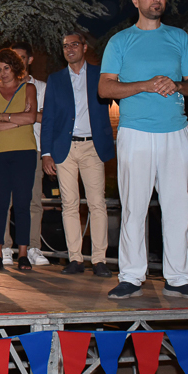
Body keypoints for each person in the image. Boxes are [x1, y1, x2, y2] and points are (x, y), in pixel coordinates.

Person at [99, 0, 188, 300]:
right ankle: (131, 277)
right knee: (134, 207)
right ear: (136, 0)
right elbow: (105, 88)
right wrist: (145, 85)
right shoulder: (120, 41)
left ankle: (178, 278)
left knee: (177, 207)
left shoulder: (179, 37)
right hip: (136, 132)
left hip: (176, 132)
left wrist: (178, 85)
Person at [40, 30, 115, 277]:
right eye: (65, 46)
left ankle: (100, 260)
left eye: (74, 44)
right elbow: (48, 118)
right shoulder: (56, 79)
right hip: (64, 148)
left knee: (97, 203)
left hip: (93, 147)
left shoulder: (100, 75)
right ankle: (75, 259)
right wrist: (46, 153)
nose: (69, 49)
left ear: (84, 47)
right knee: (69, 204)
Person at [0, 49, 38, 270]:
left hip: (24, 151)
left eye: (6, 68)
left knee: (22, 203)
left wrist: (3, 117)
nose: (3, 73)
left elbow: (31, 117)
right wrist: (16, 122)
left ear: (15, 67)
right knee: (0, 204)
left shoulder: (28, 88)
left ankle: (22, 254)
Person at [2, 42, 50, 266]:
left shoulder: (42, 88)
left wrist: (12, 116)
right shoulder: (1, 87)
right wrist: (28, 114)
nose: (17, 61)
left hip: (34, 148)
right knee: (5, 201)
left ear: (29, 60)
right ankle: (4, 247)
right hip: (6, 147)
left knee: (33, 202)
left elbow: (46, 118)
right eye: (13, 57)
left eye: (21, 57)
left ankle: (33, 247)